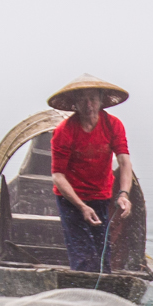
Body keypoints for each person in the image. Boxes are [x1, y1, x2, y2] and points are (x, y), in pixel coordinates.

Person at [46, 76, 133, 274]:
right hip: (71, 198)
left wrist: (124, 194)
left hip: (101, 196)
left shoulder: (113, 125)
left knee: (103, 254)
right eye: (83, 99)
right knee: (83, 257)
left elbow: (124, 161)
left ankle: (104, 292)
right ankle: (82, 295)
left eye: (93, 98)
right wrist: (81, 206)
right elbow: (58, 176)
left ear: (101, 100)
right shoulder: (65, 131)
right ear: (75, 103)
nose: (88, 105)